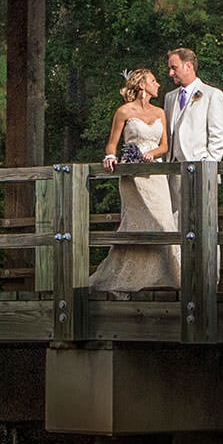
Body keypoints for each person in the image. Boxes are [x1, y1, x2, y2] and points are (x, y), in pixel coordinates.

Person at [87, 68, 180, 293]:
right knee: (136, 222)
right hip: (132, 176)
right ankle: (130, 276)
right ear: (142, 86)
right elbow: (112, 142)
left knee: (163, 220)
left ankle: (171, 276)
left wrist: (154, 153)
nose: (158, 84)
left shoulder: (159, 113)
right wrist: (110, 156)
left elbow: (165, 145)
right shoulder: (124, 111)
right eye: (153, 81)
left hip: (155, 174)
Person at [162, 47, 223, 164]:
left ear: (188, 66)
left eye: (174, 68)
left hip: (200, 167)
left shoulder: (212, 94)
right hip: (173, 170)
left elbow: (218, 134)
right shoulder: (169, 97)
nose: (170, 73)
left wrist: (209, 164)